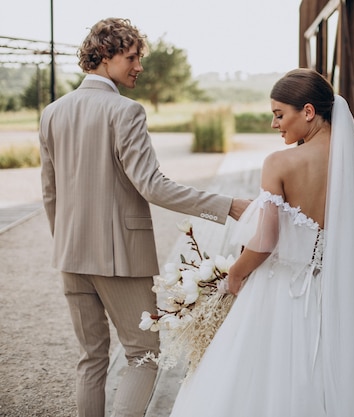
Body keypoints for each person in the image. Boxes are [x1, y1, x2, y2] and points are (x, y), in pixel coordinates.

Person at [168, 68, 354, 416]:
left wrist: (235, 274)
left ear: (308, 111)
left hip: (283, 293)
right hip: (339, 294)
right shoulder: (351, 162)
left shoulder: (279, 163)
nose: (273, 124)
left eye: (279, 114)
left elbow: (266, 239)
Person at [38, 17, 248, 417]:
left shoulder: (52, 112)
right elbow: (152, 185)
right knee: (143, 355)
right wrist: (227, 205)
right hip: (121, 258)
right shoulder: (126, 111)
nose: (139, 66)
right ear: (103, 56)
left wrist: (66, 241)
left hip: (70, 255)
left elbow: (50, 193)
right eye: (131, 57)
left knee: (91, 359)